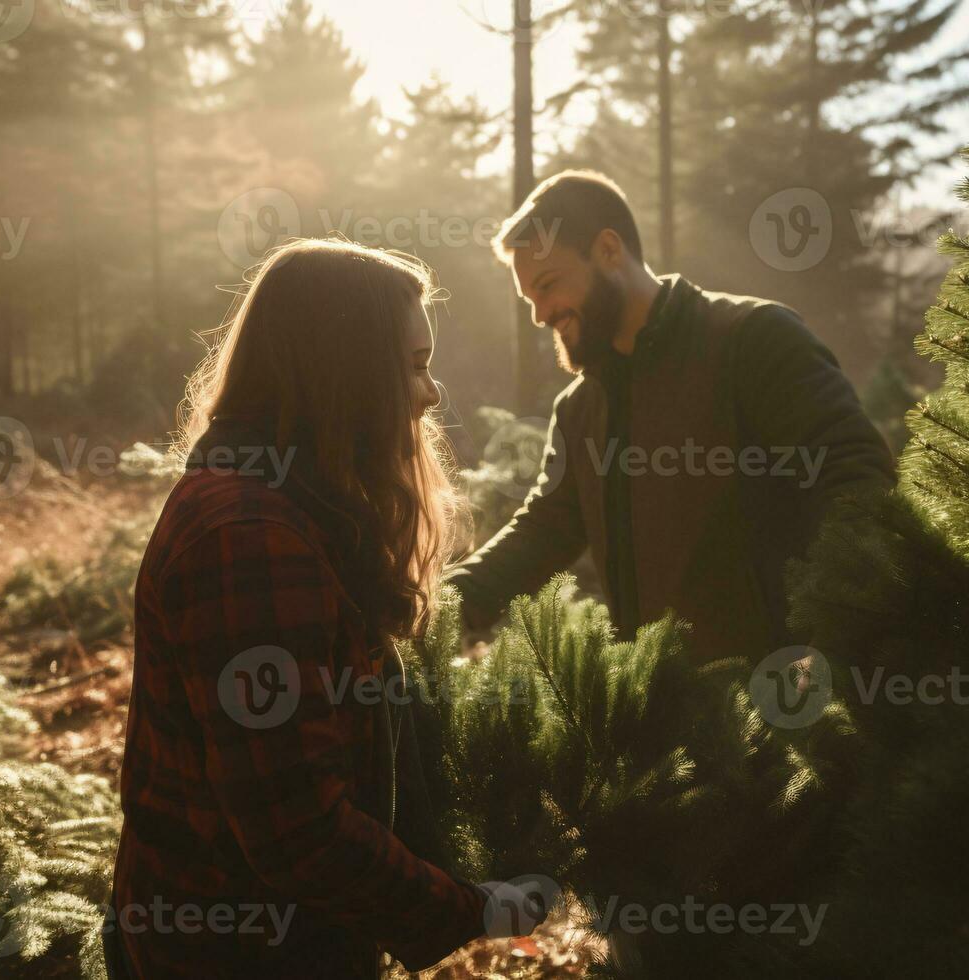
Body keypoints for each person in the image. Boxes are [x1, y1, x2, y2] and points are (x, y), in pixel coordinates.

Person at [106, 239, 546, 979]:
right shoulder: (250, 541)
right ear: (344, 374)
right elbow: (297, 831)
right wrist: (472, 909)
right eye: (413, 365)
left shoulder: (292, 506)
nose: (432, 392)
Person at [445, 171, 896, 661]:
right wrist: (441, 607)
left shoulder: (755, 339)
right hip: (664, 720)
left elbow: (857, 479)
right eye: (530, 298)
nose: (540, 315)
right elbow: (542, 530)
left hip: (785, 702)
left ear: (609, 251)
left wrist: (833, 641)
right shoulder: (580, 409)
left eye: (548, 285)